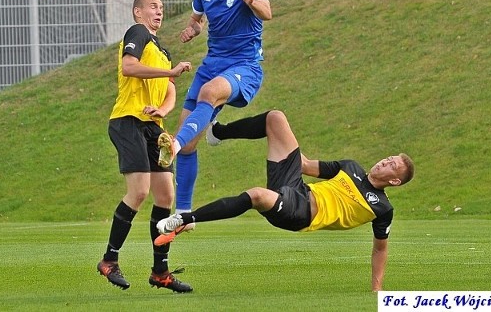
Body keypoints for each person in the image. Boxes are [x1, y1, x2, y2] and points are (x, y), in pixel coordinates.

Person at [156, 110, 415, 291]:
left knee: (257, 195)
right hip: (296, 188)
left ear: (394, 181)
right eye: (389, 157)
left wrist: (376, 290)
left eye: (392, 164)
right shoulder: (351, 167)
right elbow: (304, 165)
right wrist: (282, 140)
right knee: (276, 118)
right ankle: (218, 132)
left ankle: (184, 219)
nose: (385, 160)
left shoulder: (382, 208)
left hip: (301, 213)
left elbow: (380, 248)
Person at [157, 0, 273, 227]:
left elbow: (266, 12)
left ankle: (174, 142)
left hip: (244, 68)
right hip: (212, 66)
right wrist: (191, 29)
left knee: (205, 100)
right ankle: (184, 214)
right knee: (188, 147)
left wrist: (252, 2)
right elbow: (198, 20)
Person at [97, 0, 193, 293]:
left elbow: (170, 91)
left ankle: (160, 272)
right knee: (139, 191)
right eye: (153, 7)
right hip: (128, 120)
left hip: (152, 127)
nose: (159, 12)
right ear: (137, 11)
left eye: (162, 8)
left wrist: (162, 110)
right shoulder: (137, 33)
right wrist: (170, 71)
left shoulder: (161, 49)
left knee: (165, 196)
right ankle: (109, 260)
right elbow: (129, 67)